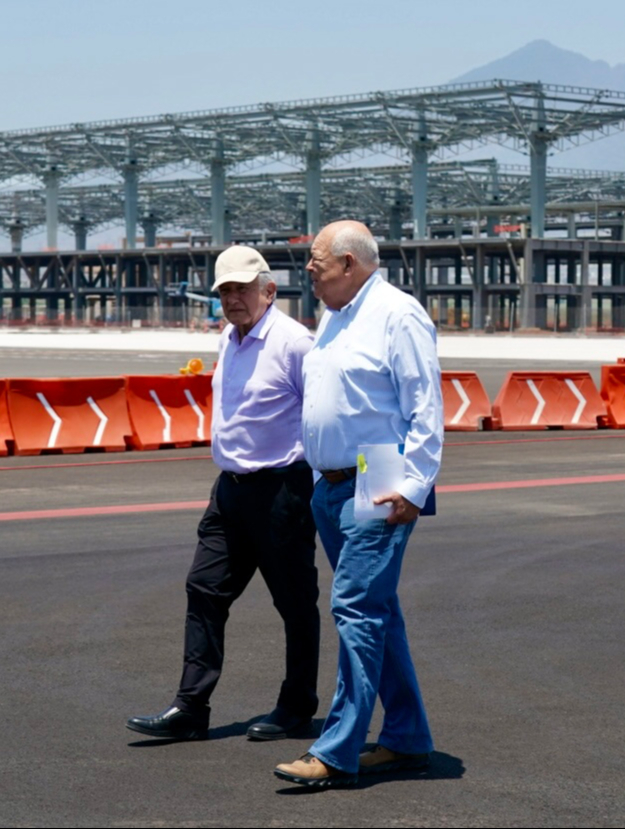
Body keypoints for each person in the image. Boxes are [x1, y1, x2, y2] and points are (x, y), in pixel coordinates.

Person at [127, 245, 321, 742]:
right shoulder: (228, 340)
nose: (233, 299)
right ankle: (191, 707)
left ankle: (296, 706)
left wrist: (316, 491)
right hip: (229, 491)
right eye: (225, 291)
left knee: (294, 604)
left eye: (242, 289)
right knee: (204, 590)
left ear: (269, 290)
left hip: (281, 491)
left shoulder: (296, 343)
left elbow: (321, 420)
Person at [274, 221, 443, 788]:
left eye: (316, 263)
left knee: (354, 607)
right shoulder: (334, 316)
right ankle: (407, 739)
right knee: (378, 611)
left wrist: (414, 486)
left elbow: (425, 407)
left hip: (382, 472)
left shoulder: (398, 314)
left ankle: (338, 748)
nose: (309, 272)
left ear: (349, 263)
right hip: (333, 482)